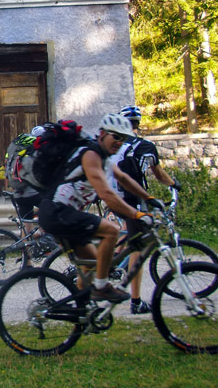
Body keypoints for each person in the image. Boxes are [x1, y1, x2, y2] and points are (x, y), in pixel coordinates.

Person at [38, 114, 164, 303]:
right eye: (116, 136)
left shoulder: (103, 158)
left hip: (64, 214)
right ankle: (102, 287)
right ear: (103, 134)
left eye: (123, 138)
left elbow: (122, 178)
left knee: (92, 265)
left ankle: (82, 316)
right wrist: (137, 214)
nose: (119, 142)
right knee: (112, 230)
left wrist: (149, 197)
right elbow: (105, 194)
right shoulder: (91, 155)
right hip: (57, 212)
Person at [112, 105, 181, 314]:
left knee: (128, 232)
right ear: (138, 124)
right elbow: (159, 175)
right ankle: (135, 301)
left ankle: (112, 263)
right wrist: (174, 185)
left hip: (114, 197)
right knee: (138, 249)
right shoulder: (146, 146)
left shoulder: (116, 143)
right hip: (135, 200)